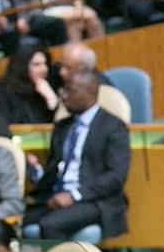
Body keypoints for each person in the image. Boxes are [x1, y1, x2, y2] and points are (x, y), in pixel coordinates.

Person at [24, 68, 130, 239]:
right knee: (16, 220)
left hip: (93, 200)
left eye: (69, 91)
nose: (63, 96)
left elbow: (115, 177)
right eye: (62, 90)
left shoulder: (113, 127)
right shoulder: (62, 127)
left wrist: (74, 195)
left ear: (90, 93)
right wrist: (36, 171)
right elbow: (54, 170)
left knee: (50, 224)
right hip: (57, 197)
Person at [0, 45, 59, 136]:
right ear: (22, 66)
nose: (44, 69)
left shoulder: (46, 89)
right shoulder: (2, 93)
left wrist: (51, 99)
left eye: (45, 64)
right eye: (36, 64)